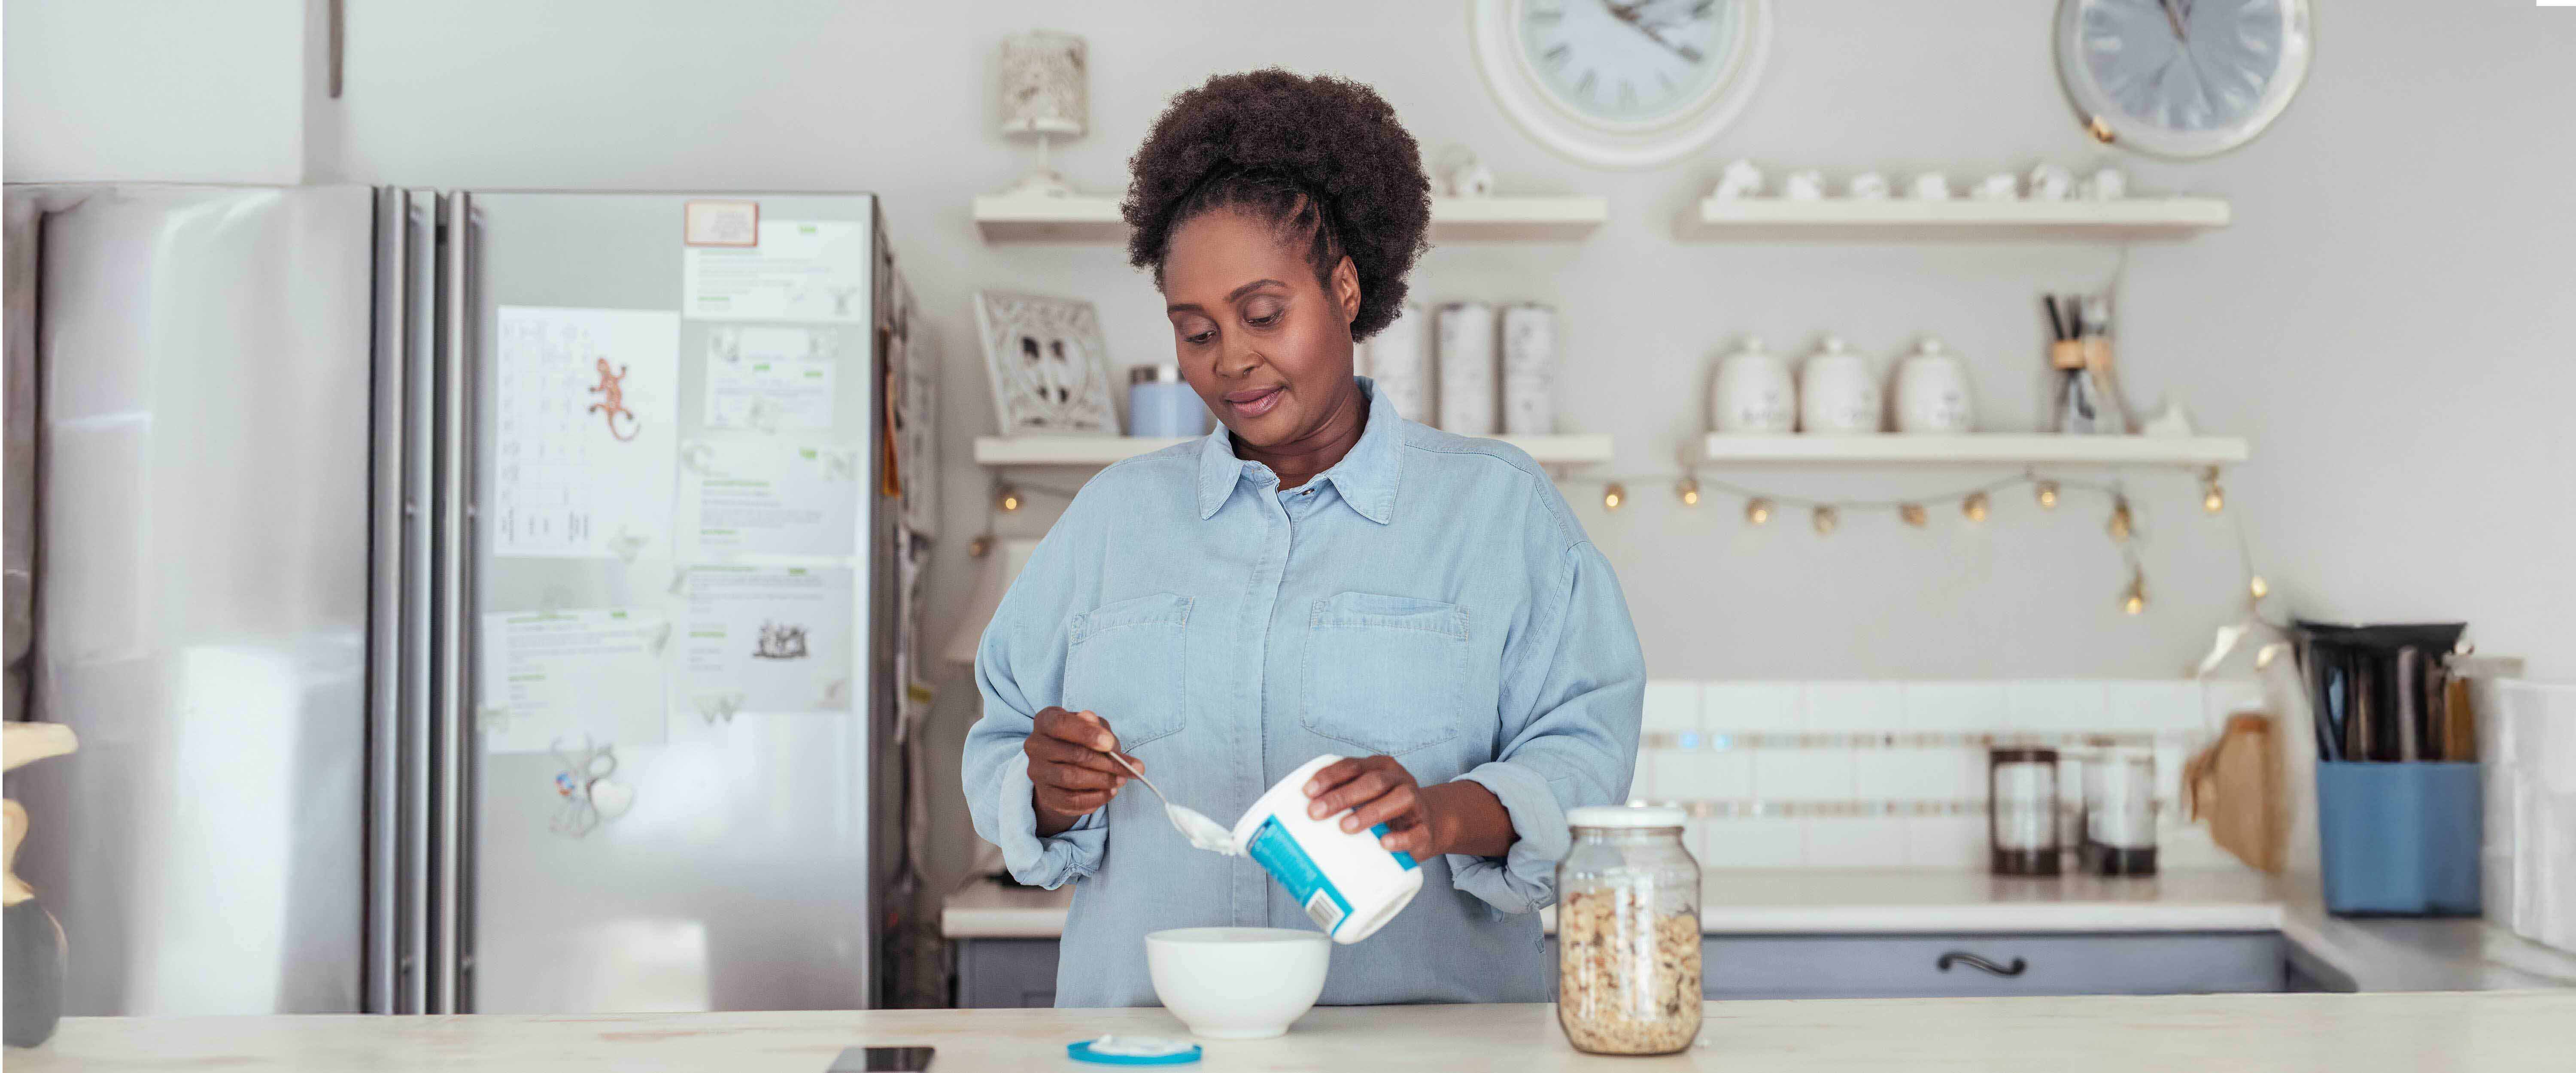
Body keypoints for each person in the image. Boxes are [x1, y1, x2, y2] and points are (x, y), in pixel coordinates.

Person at [962, 69, 1645, 1006]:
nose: (1232, 359)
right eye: (1196, 331)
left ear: (1346, 288)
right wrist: (1047, 786)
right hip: (1162, 1045)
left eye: (1263, 315)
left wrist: (1443, 813)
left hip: (1427, 1049)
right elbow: (1003, 741)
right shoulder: (1113, 520)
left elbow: (1585, 756)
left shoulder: (1499, 511)